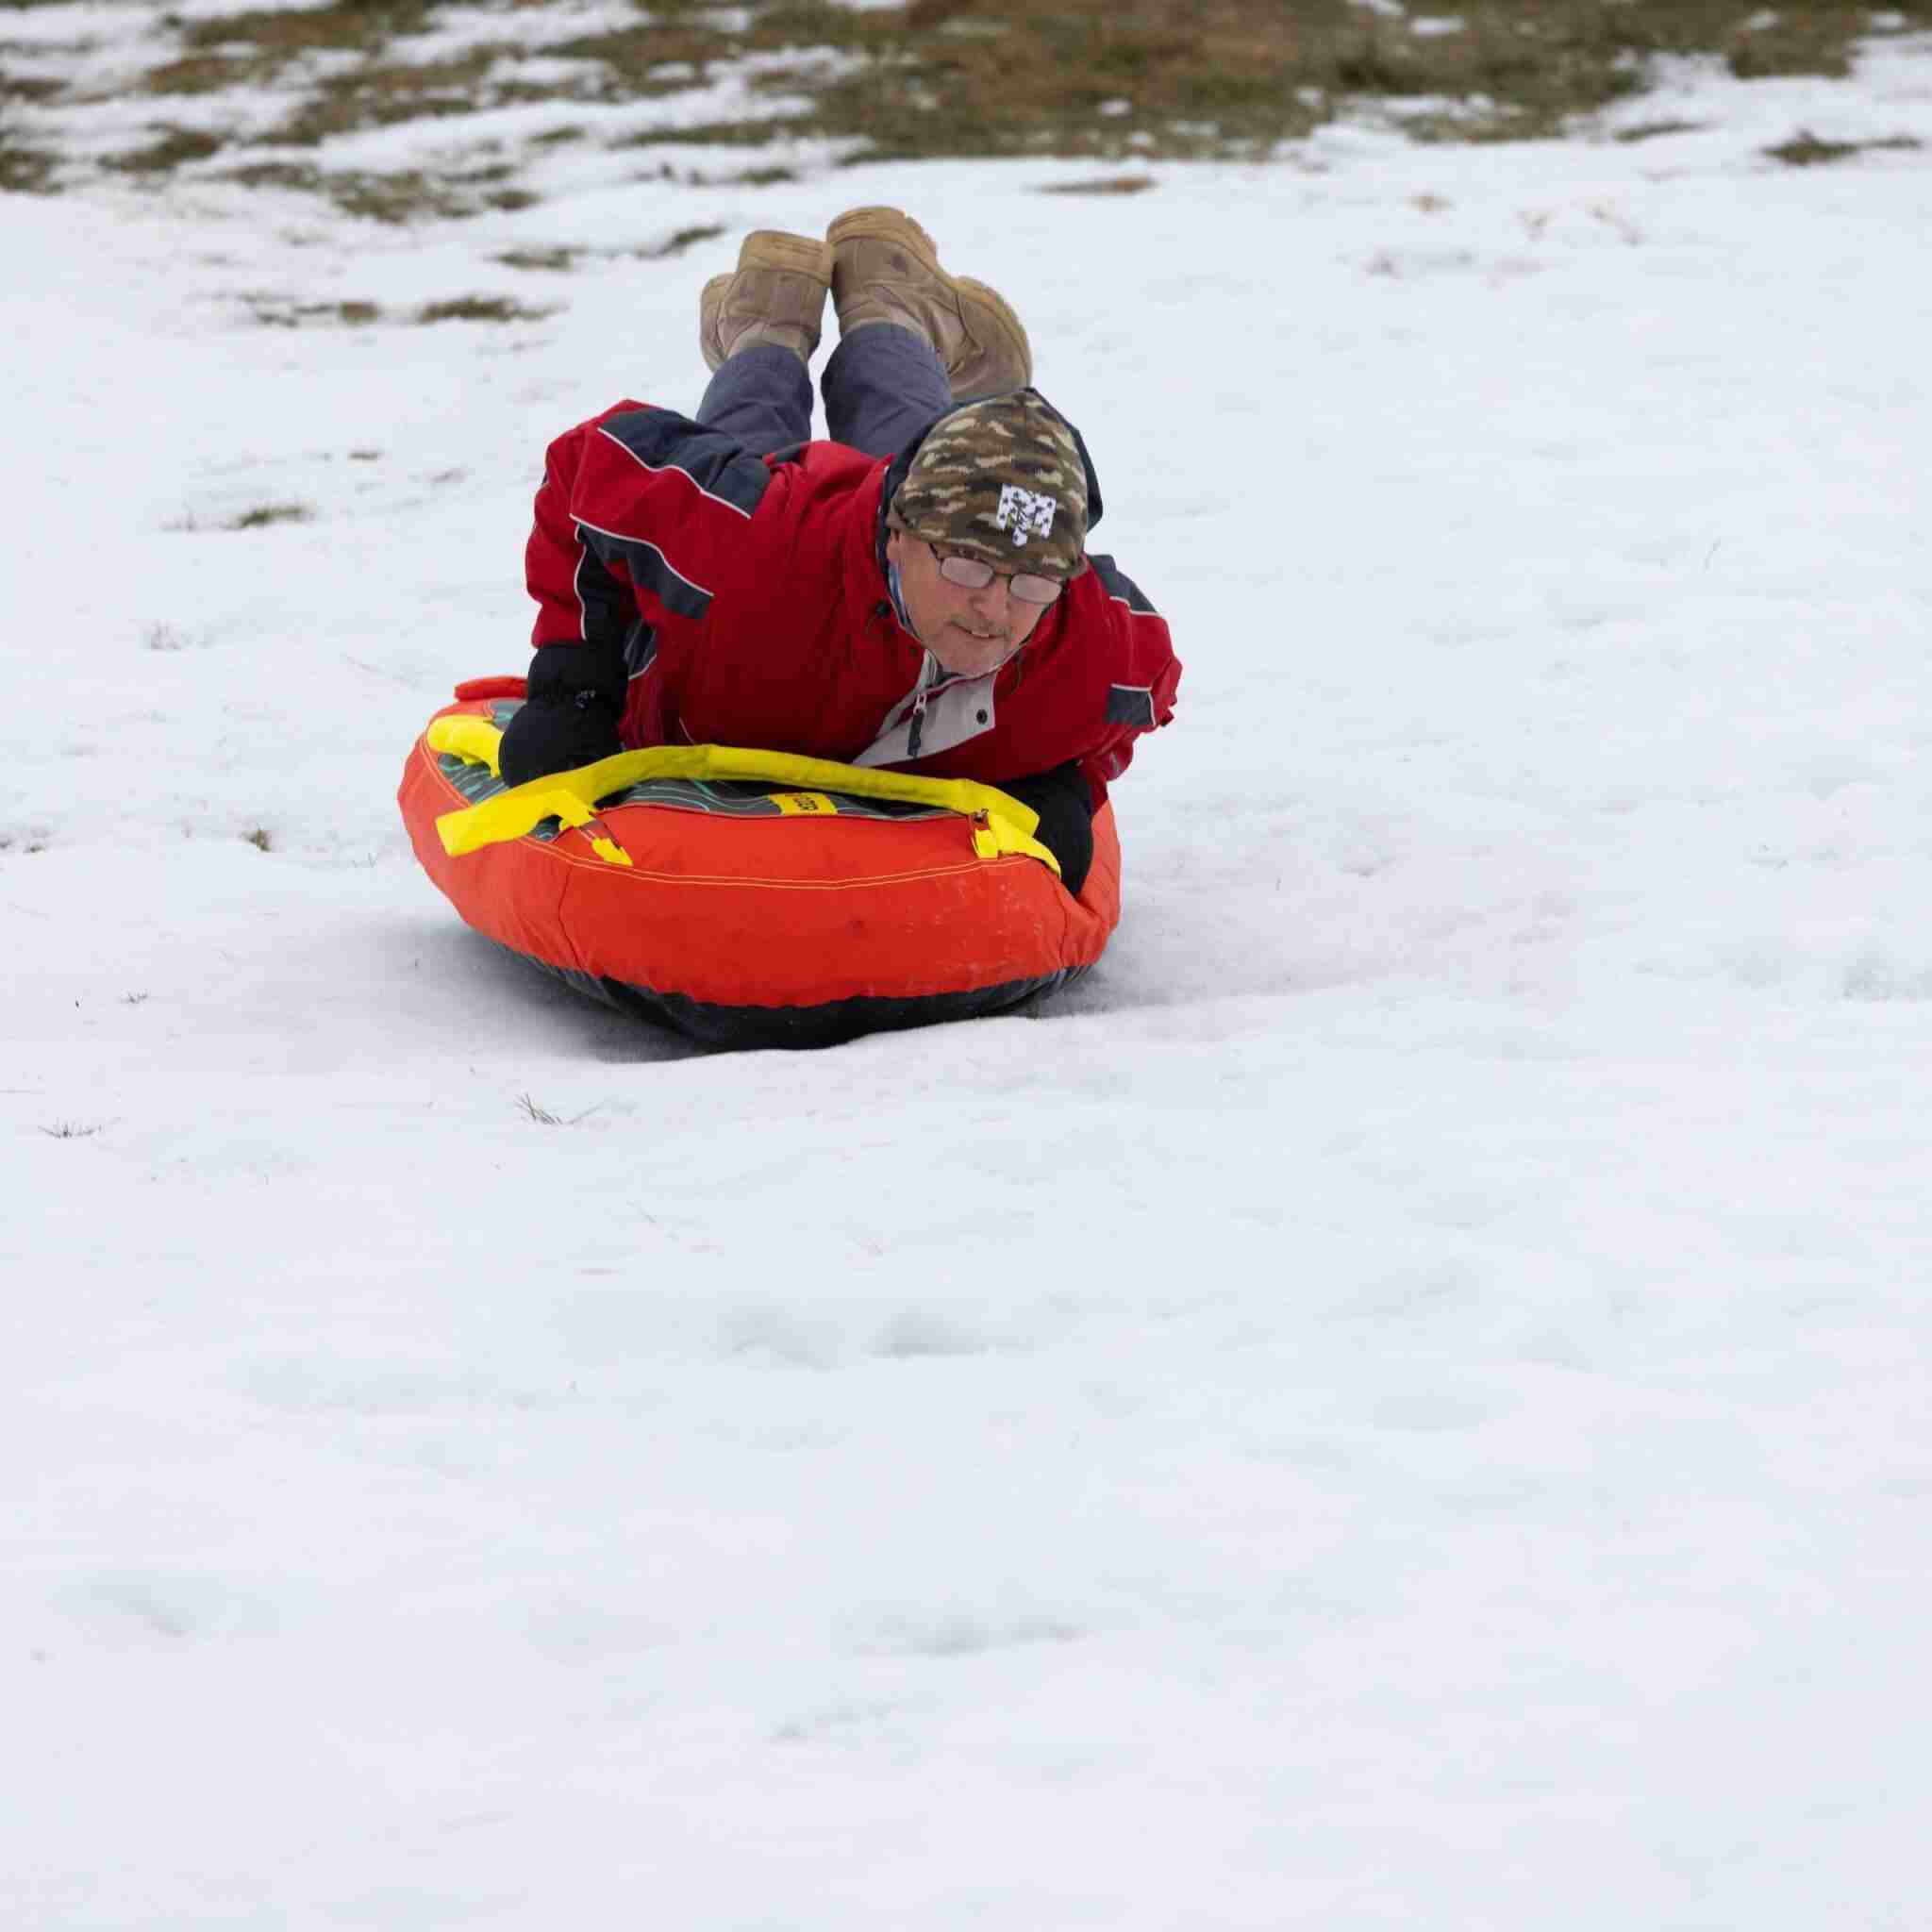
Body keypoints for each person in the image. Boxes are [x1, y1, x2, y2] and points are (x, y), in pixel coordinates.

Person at [498, 206, 1181, 896]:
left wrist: (1058, 777)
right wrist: (572, 683)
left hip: (887, 523)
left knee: (917, 439)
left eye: (1030, 583)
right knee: (756, 434)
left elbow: (1144, 689)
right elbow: (590, 466)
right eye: (968, 567)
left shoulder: (1088, 644)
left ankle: (891, 304)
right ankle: (770, 320)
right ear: (899, 532)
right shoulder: (745, 540)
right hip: (785, 571)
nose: (994, 609)